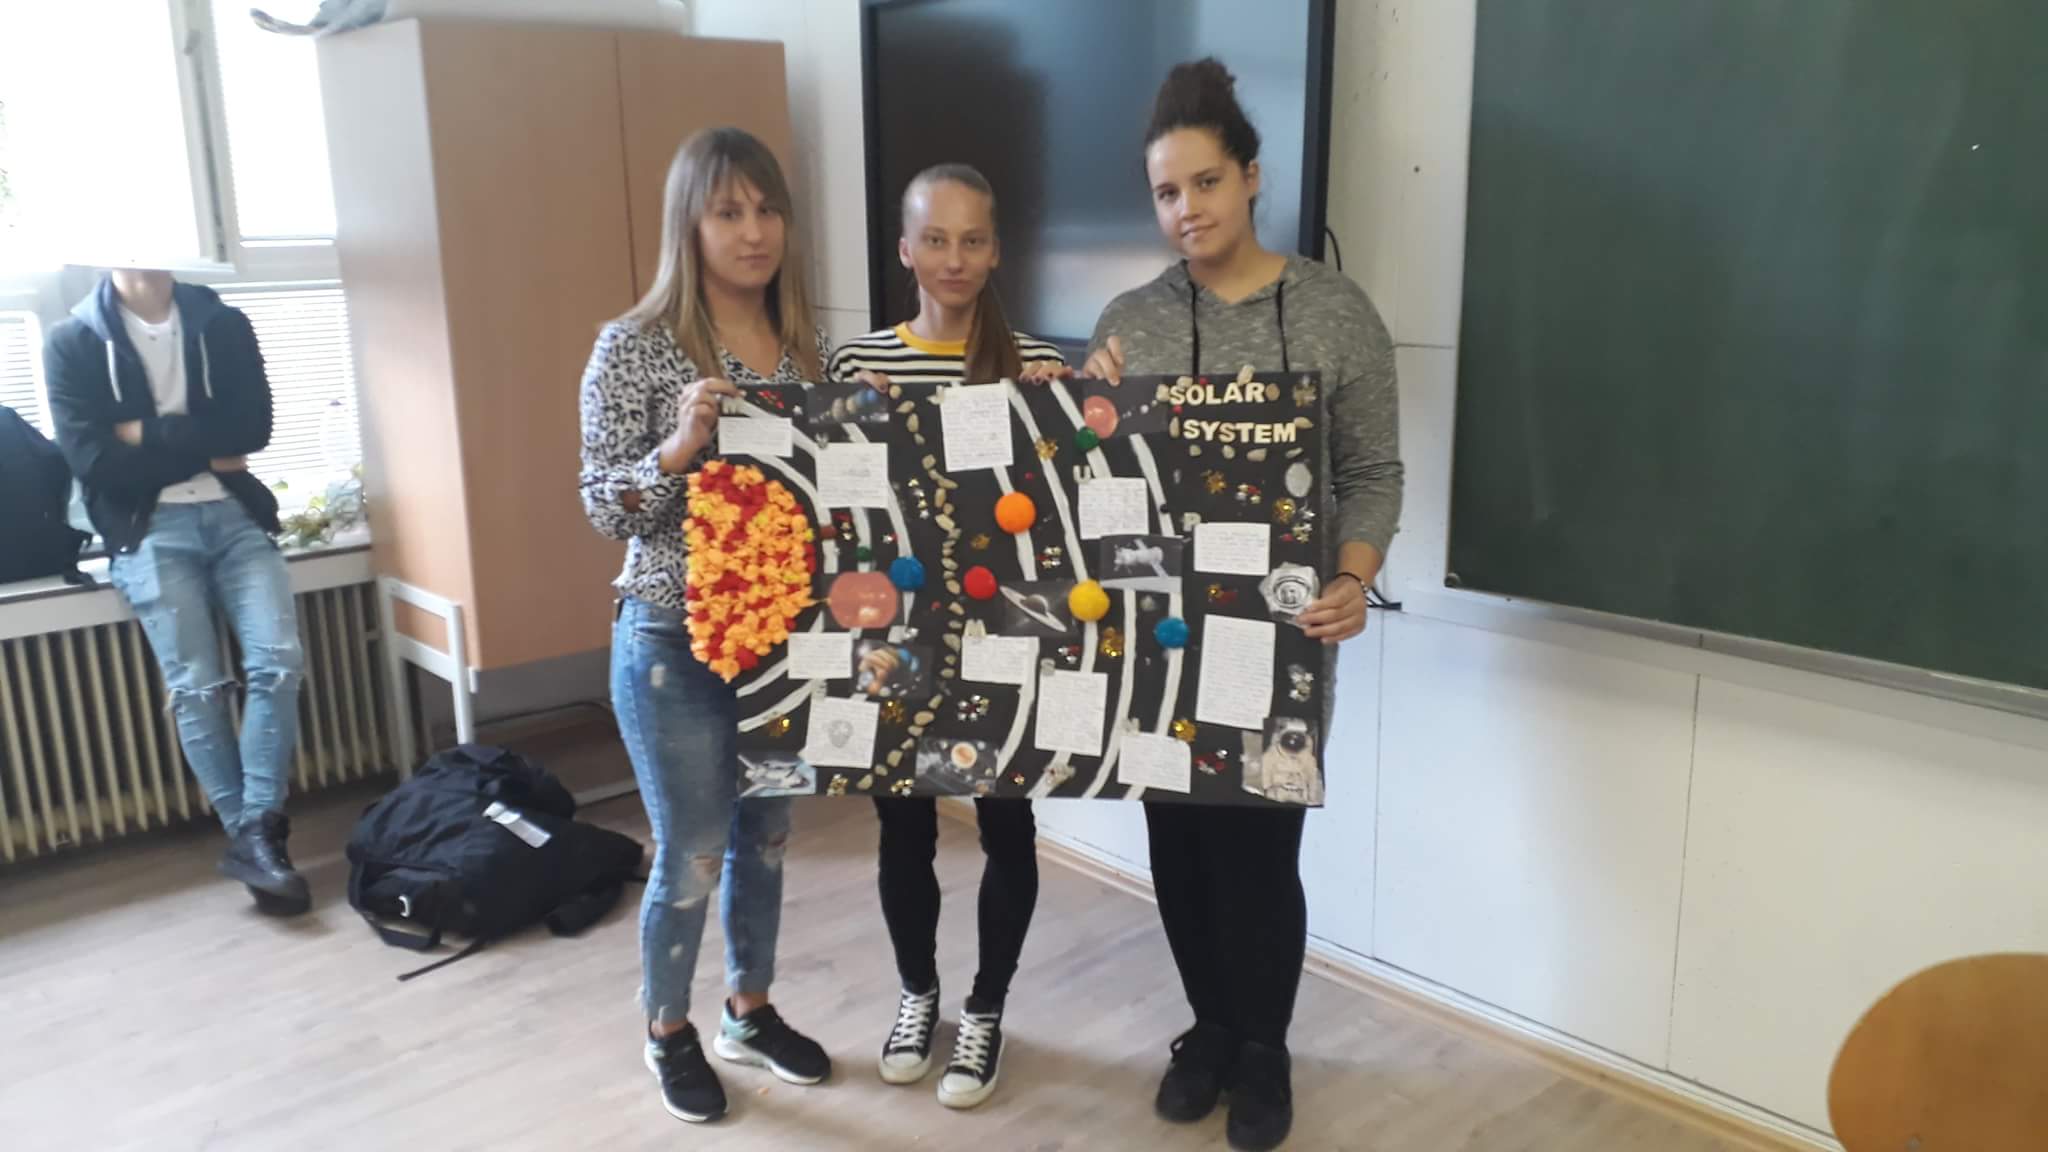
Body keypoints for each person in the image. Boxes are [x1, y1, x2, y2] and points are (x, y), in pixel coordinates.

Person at [1083, 60, 1403, 1152]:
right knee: (1176, 849)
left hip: (1278, 643)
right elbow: (1094, 488)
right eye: (1166, 193)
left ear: (1252, 176)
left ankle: (1265, 1048)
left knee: (1260, 858)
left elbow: (1373, 471)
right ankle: (1210, 1029)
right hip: (1157, 643)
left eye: (1206, 182)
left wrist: (1352, 578)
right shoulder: (1128, 321)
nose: (1187, 209)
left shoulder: (1333, 312)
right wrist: (1083, 412)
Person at [578, 126, 834, 1125]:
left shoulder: (805, 346)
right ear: (687, 224)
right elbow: (602, 505)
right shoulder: (636, 345)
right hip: (671, 638)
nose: (753, 231)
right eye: (728, 211)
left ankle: (748, 1010)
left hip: (779, 636)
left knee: (765, 835)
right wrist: (679, 448)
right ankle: (666, 1029)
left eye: (767, 210)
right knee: (691, 849)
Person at [827, 163, 1068, 1110]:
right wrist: (851, 418)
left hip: (1007, 635)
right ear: (905, 249)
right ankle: (917, 994)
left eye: (972, 240)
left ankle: (986, 1009)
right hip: (898, 633)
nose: (954, 259)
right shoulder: (857, 362)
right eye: (936, 239)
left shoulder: (1034, 360)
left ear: (996, 250)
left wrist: (1066, 417)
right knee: (904, 825)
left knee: (1007, 824)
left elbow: (1064, 523)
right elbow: (836, 513)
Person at [45, 269, 309, 915]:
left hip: (236, 517)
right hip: (148, 529)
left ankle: (258, 832)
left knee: (278, 663)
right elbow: (93, 461)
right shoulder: (72, 340)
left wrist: (144, 431)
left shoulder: (223, 323)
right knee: (198, 687)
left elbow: (252, 431)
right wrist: (205, 446)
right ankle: (256, 843)